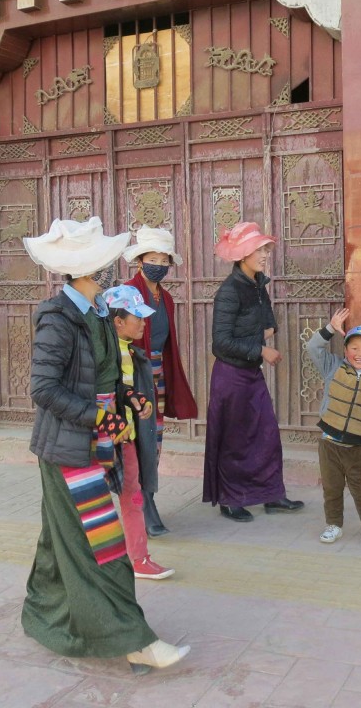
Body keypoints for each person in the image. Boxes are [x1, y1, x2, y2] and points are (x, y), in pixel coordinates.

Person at [19, 216, 189, 673]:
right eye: (106, 263)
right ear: (90, 269)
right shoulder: (58, 318)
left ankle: (44, 614)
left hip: (92, 446)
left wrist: (125, 399)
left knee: (63, 543)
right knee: (101, 545)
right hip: (67, 449)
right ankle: (133, 639)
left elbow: (104, 377)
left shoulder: (94, 313)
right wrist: (98, 415)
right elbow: (43, 389)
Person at [203, 221, 304, 522]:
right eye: (259, 250)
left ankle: (271, 494)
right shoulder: (229, 292)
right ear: (242, 254)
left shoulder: (259, 285)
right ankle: (231, 499)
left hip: (251, 375)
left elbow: (270, 325)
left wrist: (262, 336)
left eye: (265, 249)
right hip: (230, 377)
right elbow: (220, 342)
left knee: (266, 434)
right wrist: (260, 348)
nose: (264, 255)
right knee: (235, 439)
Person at [122, 226, 197, 538]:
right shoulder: (128, 292)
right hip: (135, 373)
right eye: (154, 258)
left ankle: (148, 498)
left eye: (164, 260)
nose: (160, 265)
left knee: (156, 440)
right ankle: (142, 506)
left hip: (159, 375)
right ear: (141, 261)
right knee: (139, 440)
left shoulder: (165, 298)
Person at [305, 308, 361, 553]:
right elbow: (312, 349)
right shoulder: (332, 367)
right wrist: (330, 328)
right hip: (329, 444)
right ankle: (334, 524)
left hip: (357, 448)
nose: (360, 354)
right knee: (331, 488)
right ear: (345, 350)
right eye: (354, 348)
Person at [103, 284, 175, 580]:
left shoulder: (133, 353)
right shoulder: (103, 356)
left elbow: (125, 392)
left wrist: (140, 402)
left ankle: (139, 558)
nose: (144, 325)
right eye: (138, 318)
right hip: (101, 439)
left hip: (126, 438)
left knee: (133, 496)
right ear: (118, 321)